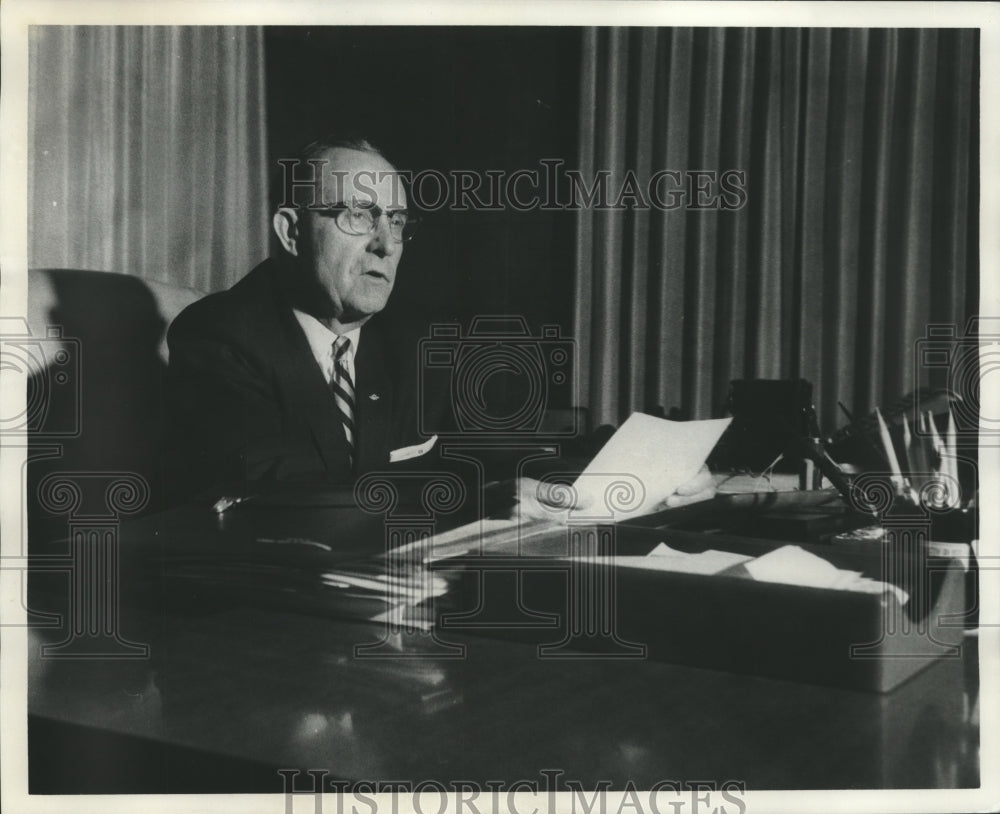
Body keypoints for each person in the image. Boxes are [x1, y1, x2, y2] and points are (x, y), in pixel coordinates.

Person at [165, 134, 715, 509]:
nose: (385, 243)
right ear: (290, 233)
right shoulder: (220, 334)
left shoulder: (407, 341)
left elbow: (499, 439)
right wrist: (481, 494)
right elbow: (282, 491)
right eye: (358, 215)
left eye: (397, 221)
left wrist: (640, 466)